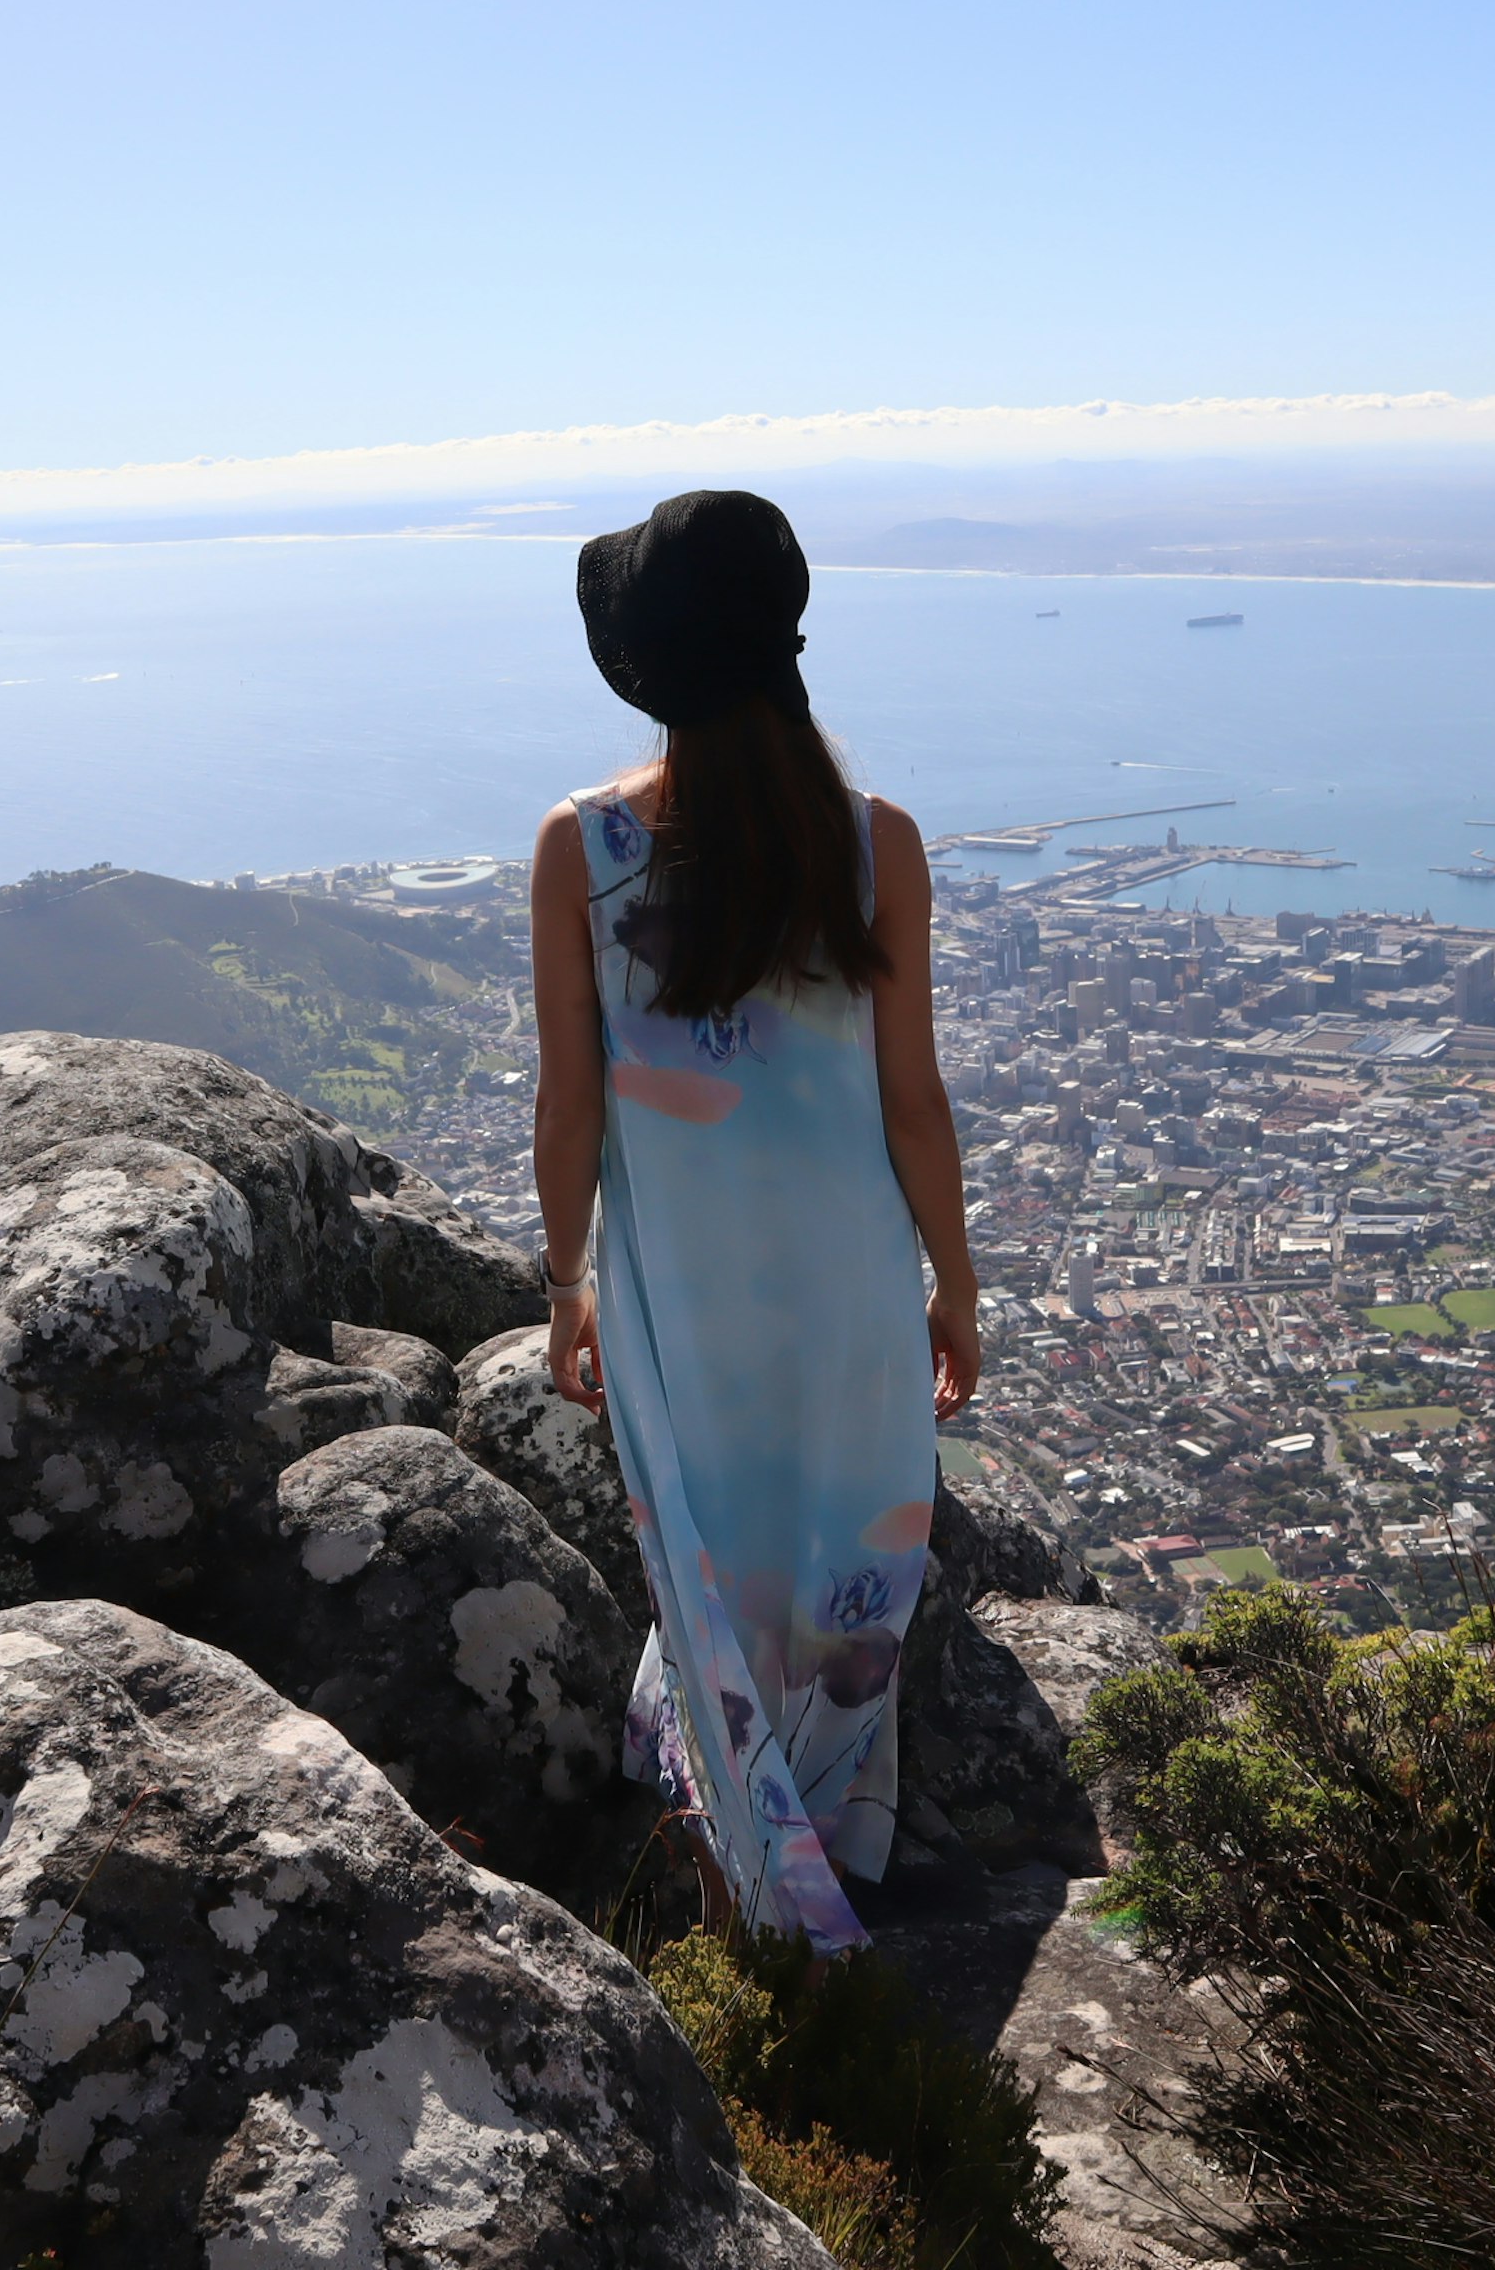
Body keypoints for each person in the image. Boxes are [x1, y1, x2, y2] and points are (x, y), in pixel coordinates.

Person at [527, 488, 982, 1952]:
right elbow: (914, 1105)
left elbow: (570, 1111)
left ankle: (747, 1910)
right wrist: (955, 1289)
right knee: (843, 1573)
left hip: (685, 1307)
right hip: (851, 1295)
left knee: (715, 1582)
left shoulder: (583, 852)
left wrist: (563, 1290)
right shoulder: (875, 846)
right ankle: (832, 1868)